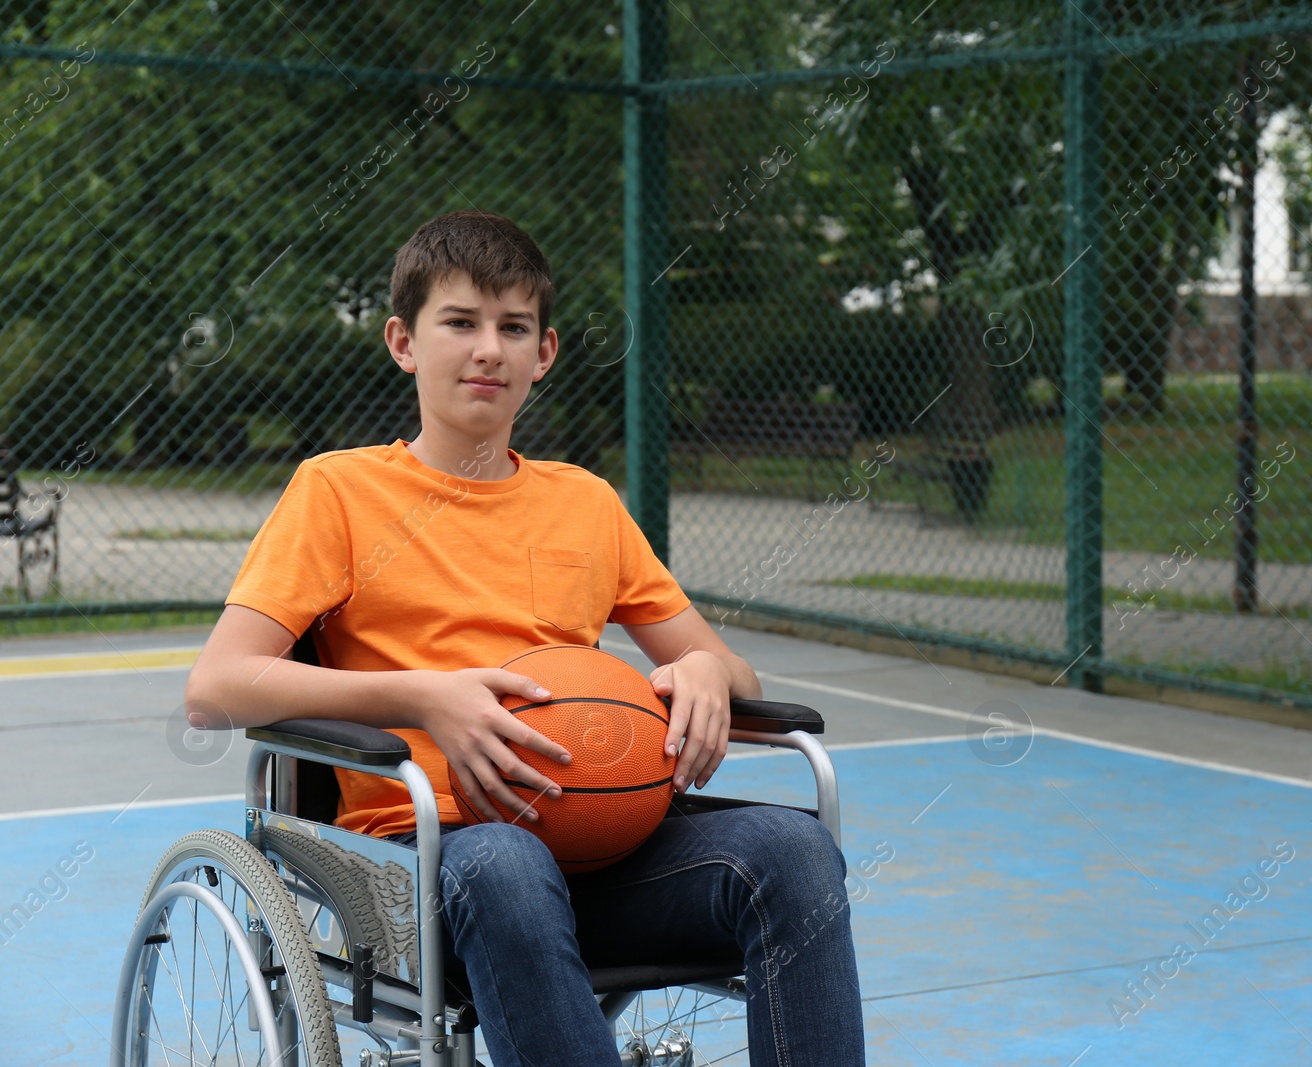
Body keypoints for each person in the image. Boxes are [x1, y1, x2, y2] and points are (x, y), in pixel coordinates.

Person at [184, 210, 867, 1067]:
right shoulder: (338, 492)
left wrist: (701, 668)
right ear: (403, 341)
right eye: (461, 323)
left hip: (601, 844)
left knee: (796, 849)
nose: (489, 349)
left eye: (514, 328)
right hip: (423, 858)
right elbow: (216, 686)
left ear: (543, 355)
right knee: (505, 861)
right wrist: (424, 695)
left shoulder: (584, 502)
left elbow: (731, 667)